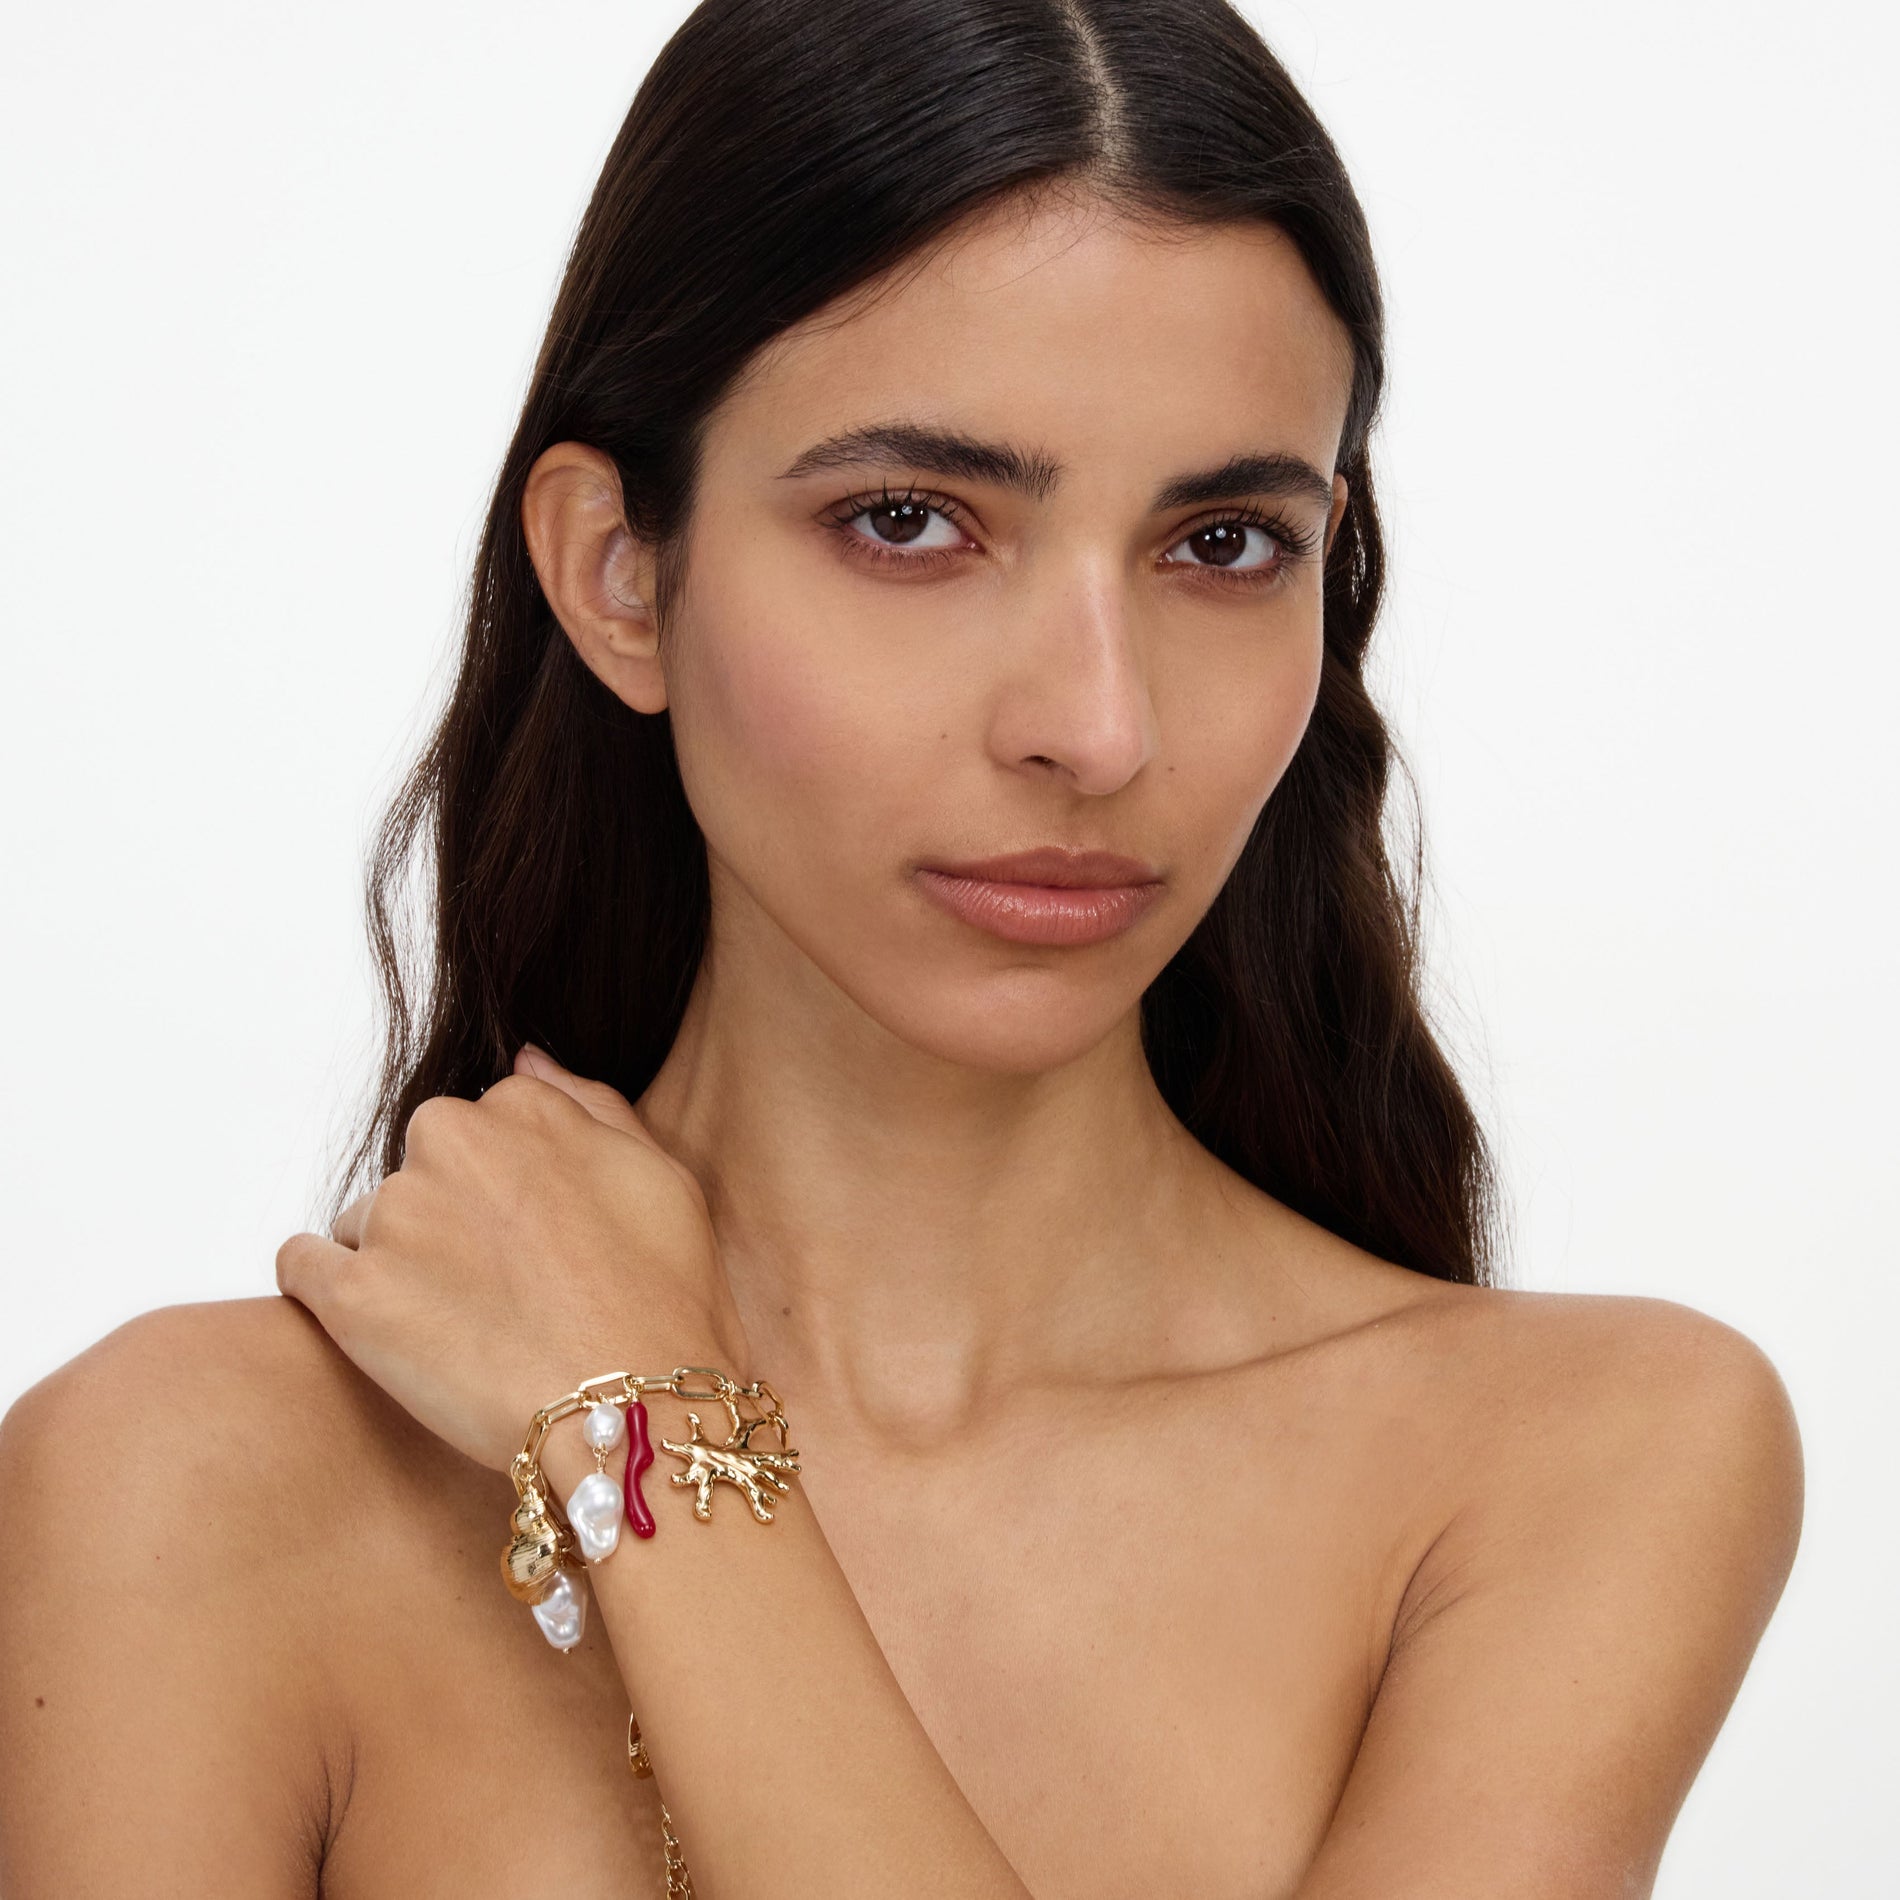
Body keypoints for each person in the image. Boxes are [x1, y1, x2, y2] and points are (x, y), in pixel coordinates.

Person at [0, 1, 1802, 1894]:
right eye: (909, 521)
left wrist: (650, 1433)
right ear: (620, 572)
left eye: (1222, 545)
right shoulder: (181, 1493)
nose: (1096, 729)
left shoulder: (1580, 1461)